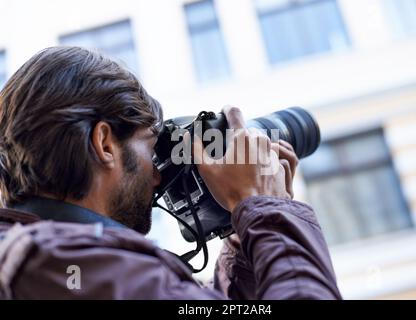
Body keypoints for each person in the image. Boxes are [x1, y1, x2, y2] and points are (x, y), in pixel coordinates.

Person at [0, 46, 341, 300]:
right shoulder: (59, 263)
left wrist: (245, 231)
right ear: (104, 143)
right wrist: (266, 204)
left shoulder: (40, 261)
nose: (158, 176)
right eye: (151, 149)